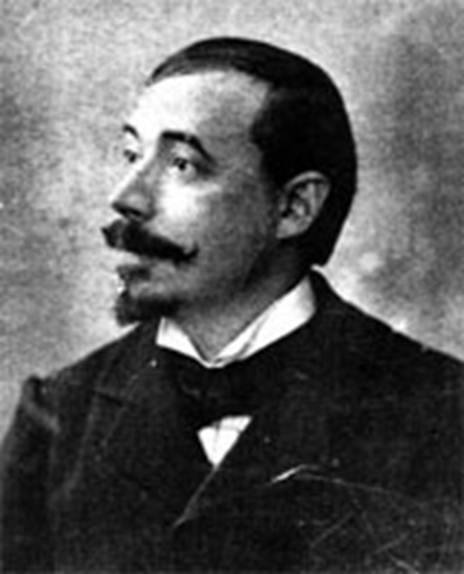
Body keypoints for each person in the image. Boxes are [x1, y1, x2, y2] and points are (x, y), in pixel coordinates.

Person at [0, 37, 462, 573]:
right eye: (131, 155)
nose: (126, 197)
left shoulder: (441, 414)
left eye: (182, 164)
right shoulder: (58, 419)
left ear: (294, 207)